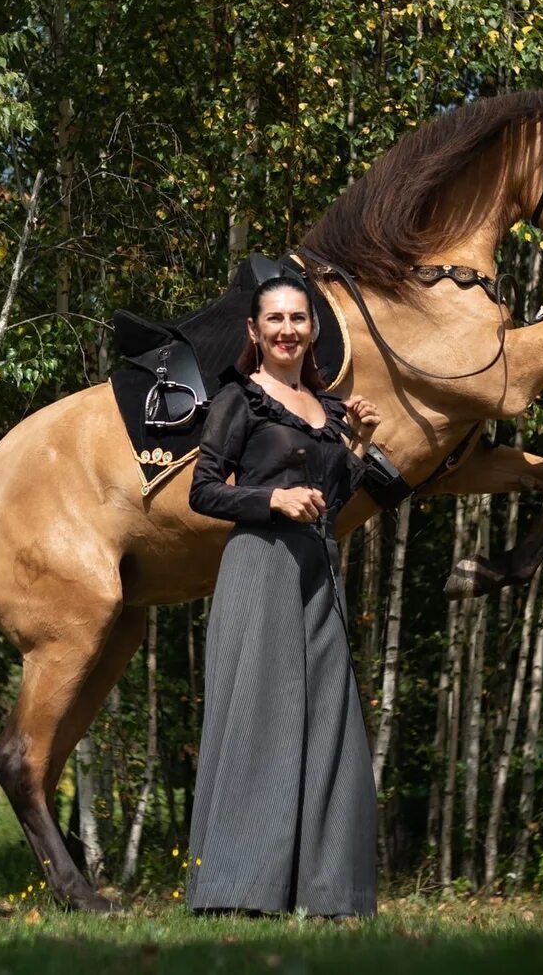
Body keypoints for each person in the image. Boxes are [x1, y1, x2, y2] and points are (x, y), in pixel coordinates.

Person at [186, 274, 381, 917]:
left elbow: (333, 502)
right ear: (254, 331)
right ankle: (238, 893)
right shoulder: (240, 399)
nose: (287, 330)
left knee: (330, 721)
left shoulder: (327, 409)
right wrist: (269, 498)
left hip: (318, 572)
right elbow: (204, 491)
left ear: (313, 330)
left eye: (298, 318)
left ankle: (327, 895)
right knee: (258, 718)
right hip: (258, 567)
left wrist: (356, 446)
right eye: (275, 319)